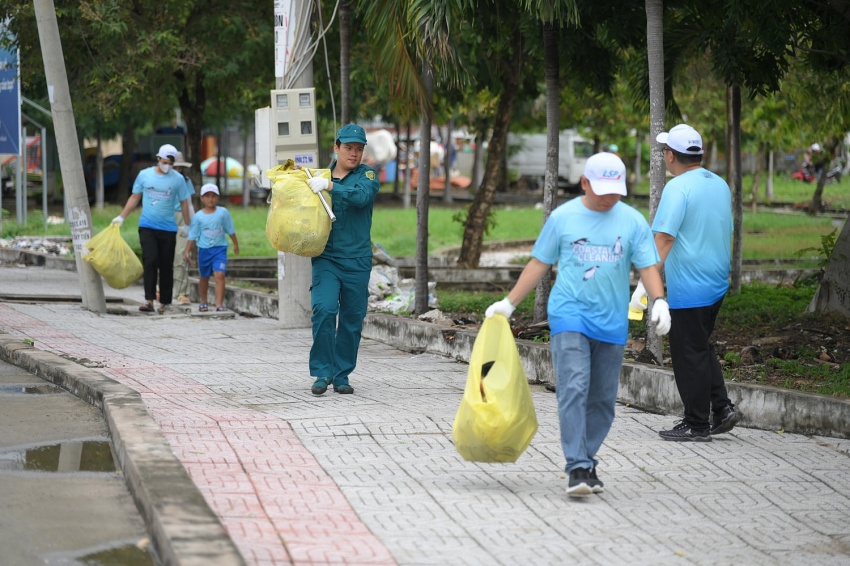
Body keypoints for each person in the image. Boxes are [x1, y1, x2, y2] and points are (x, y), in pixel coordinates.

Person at [485, 152, 671, 497]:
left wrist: (659, 300)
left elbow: (648, 265)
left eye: (615, 190)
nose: (608, 197)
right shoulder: (563, 218)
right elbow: (539, 263)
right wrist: (509, 303)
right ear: (584, 183)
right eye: (601, 189)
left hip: (612, 321)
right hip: (569, 315)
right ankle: (577, 466)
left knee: (602, 400)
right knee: (574, 386)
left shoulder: (631, 221)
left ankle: (586, 458)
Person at [630, 124, 740, 442]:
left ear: (670, 156)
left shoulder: (678, 188)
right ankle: (722, 409)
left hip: (690, 285)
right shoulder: (719, 184)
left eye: (665, 151)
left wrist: (643, 285)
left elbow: (663, 238)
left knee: (687, 352)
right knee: (700, 346)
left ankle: (696, 423)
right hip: (717, 281)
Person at [307, 124, 380, 396]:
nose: (354, 153)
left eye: (359, 149)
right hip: (326, 258)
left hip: (357, 260)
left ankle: (341, 375)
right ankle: (322, 372)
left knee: (351, 319)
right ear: (336, 147)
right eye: (348, 148)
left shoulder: (368, 175)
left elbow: (361, 197)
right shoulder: (318, 176)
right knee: (324, 310)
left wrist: (329, 187)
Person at [113, 144, 193, 314]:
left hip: (169, 229)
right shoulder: (145, 175)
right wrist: (121, 217)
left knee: (166, 265)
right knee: (150, 261)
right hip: (147, 226)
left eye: (170, 163)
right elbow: (135, 197)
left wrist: (187, 224)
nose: (167, 166)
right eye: (165, 162)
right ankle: (149, 300)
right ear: (158, 158)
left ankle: (165, 302)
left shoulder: (177, 179)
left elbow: (185, 201)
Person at [183, 184, 239, 312]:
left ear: (218, 198)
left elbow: (230, 229)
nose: (210, 199)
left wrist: (235, 244)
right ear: (202, 198)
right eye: (207, 196)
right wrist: (187, 251)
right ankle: (204, 301)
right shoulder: (198, 216)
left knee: (220, 274)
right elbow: (193, 235)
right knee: (204, 277)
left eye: (213, 196)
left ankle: (219, 304)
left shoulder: (223, 213)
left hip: (220, 249)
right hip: (204, 250)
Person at [172, 152, 195, 305]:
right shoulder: (160, 179)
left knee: (181, 255)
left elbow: (189, 203)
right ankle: (161, 290)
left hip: (182, 216)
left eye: (180, 167)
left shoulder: (186, 181)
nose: (178, 169)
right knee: (163, 254)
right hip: (164, 217)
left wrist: (191, 224)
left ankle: (181, 292)